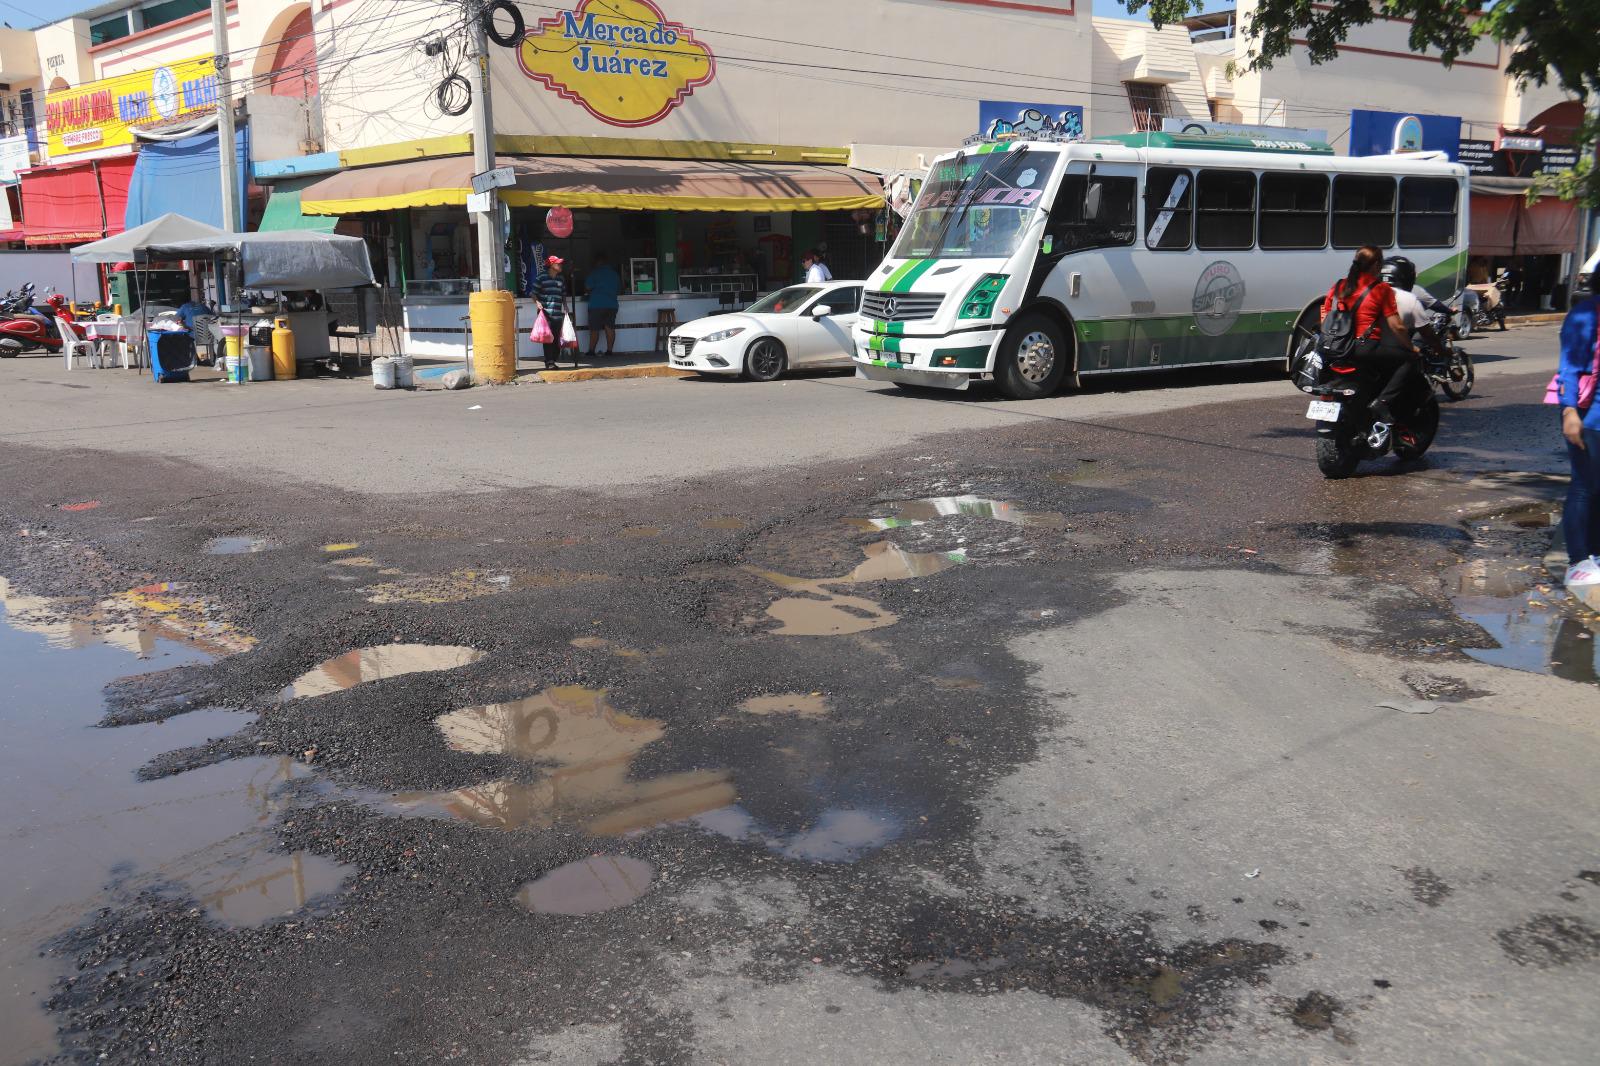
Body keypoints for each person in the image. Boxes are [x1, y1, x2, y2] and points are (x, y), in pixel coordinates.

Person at [1320, 244, 1421, 429]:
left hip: (1335, 348)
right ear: (1376, 265)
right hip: (1363, 348)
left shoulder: (1340, 284)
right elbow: (1397, 326)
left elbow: (1325, 313)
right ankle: (1382, 402)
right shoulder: (1381, 289)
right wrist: (1410, 347)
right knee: (1409, 360)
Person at [1555, 269, 1600, 587]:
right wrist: (1569, 410)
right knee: (1585, 486)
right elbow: (1569, 366)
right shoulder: (1586, 314)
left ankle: (1595, 554)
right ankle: (1578, 561)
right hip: (1590, 416)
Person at [583, 252, 621, 358]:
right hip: (612, 305)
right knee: (610, 327)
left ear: (598, 261)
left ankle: (591, 351)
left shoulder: (595, 273)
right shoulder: (614, 274)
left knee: (594, 328)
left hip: (596, 304)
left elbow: (587, 287)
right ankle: (609, 351)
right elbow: (618, 290)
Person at [535, 255, 569, 370]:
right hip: (545, 314)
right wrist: (537, 302)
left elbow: (563, 294)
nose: (560, 265)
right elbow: (533, 293)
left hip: (558, 313)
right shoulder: (541, 277)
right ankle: (549, 362)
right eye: (558, 263)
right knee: (548, 339)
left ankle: (552, 360)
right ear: (551, 265)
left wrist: (565, 306)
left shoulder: (561, 279)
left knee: (556, 338)